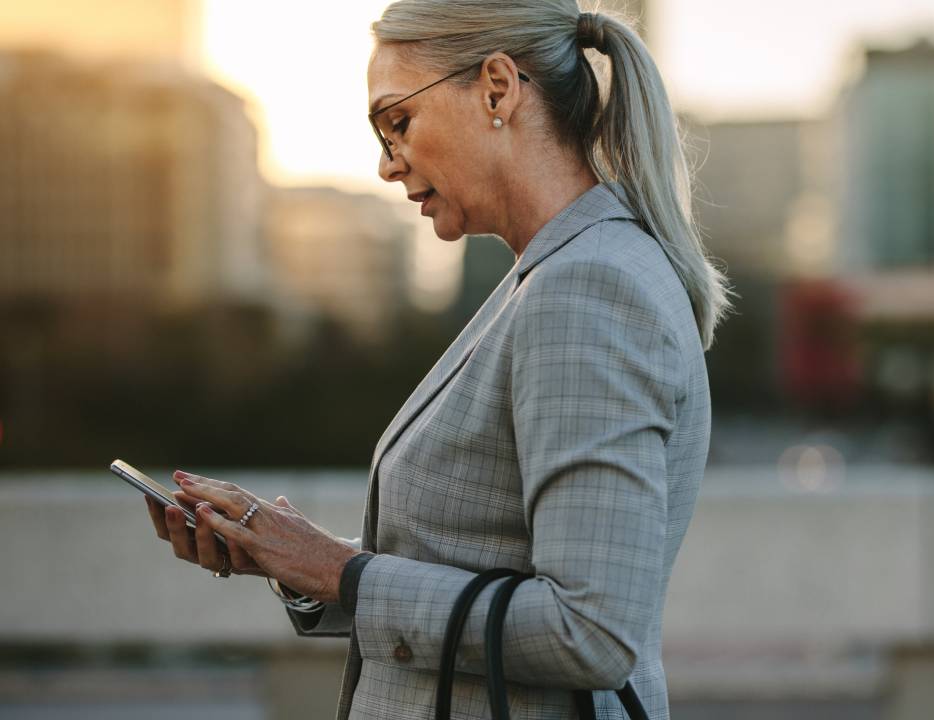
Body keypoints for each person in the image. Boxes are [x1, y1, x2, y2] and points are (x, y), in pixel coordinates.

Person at [143, 1, 731, 718]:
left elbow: (591, 631)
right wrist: (296, 558)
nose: (388, 163)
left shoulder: (585, 288)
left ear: (496, 88)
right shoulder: (552, 276)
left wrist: (344, 574)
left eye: (397, 122)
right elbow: (491, 559)